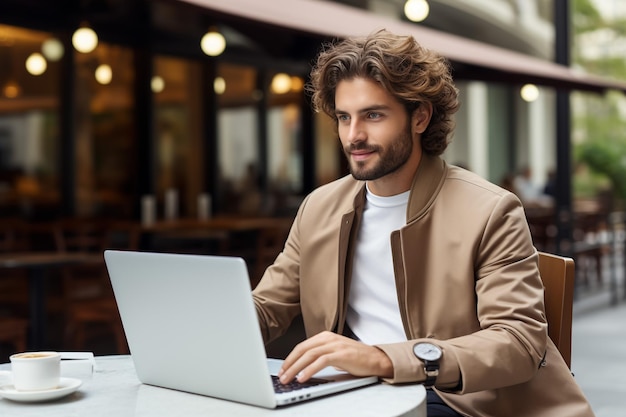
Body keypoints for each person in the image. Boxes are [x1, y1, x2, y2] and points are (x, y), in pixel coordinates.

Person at [252, 30, 594, 416]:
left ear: (420, 117)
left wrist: (386, 358)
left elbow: (518, 342)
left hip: (460, 401)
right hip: (356, 395)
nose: (354, 135)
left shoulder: (490, 210)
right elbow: (266, 307)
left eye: (373, 115)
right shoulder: (319, 207)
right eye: (344, 117)